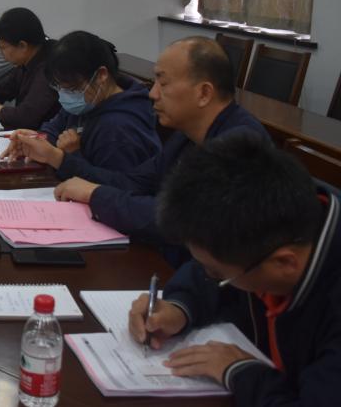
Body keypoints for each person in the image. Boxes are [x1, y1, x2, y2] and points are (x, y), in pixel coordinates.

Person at [128, 135, 340, 405]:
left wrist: (238, 370)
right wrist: (179, 307)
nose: (207, 275)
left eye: (217, 275)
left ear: (285, 263)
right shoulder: (268, 227)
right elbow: (214, 266)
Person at [23, 37, 268, 244]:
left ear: (203, 93)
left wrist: (96, 195)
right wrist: (64, 162)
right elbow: (133, 182)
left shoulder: (241, 145)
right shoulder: (186, 135)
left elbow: (180, 220)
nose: (152, 93)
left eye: (164, 83)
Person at [4, 30, 161, 177]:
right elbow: (54, 127)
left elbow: (114, 188)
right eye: (59, 88)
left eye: (71, 89)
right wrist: (37, 139)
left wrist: (72, 155)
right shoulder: (87, 101)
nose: (64, 95)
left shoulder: (120, 129)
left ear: (101, 75)